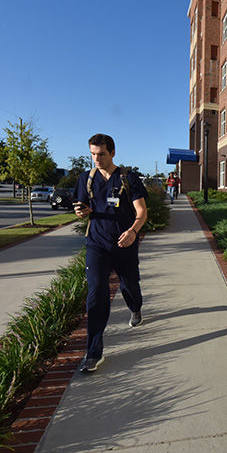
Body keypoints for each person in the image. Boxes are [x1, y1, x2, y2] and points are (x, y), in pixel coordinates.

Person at [72, 133, 149, 372]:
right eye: (93, 154)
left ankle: (135, 307)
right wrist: (81, 212)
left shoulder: (128, 178)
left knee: (130, 285)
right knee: (96, 293)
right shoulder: (86, 178)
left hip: (124, 243)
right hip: (97, 244)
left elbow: (141, 211)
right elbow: (82, 207)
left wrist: (133, 232)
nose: (96, 158)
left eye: (101, 154)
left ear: (112, 153)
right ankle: (93, 353)